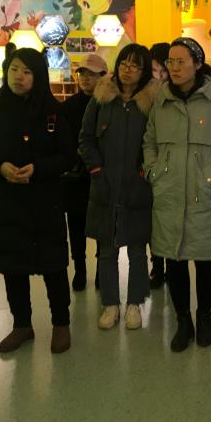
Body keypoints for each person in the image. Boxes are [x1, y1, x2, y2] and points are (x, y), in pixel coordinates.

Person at [0, 48, 76, 354]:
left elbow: (67, 156)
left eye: (27, 72)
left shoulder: (54, 113)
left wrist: (38, 168)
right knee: (12, 266)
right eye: (14, 69)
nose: (19, 77)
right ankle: (22, 325)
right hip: (6, 203)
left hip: (45, 202)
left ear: (38, 76)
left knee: (53, 265)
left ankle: (61, 323)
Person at [143, 37, 211, 352]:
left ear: (197, 64)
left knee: (204, 259)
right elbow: (149, 141)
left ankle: (204, 316)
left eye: (181, 61)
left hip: (203, 193)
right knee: (174, 260)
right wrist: (154, 171)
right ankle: (183, 319)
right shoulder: (161, 101)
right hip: (169, 191)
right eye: (170, 62)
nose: (174, 68)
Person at [79, 44, 160, 330]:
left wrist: (147, 171)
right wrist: (96, 170)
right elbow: (86, 138)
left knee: (137, 248)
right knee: (106, 248)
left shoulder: (152, 103)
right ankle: (110, 304)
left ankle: (135, 303)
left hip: (138, 185)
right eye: (124, 63)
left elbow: (159, 142)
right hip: (105, 183)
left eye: (135, 66)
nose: (128, 70)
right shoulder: (101, 98)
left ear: (144, 71)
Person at [59, 53, 108, 291]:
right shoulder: (68, 106)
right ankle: (79, 269)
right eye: (82, 74)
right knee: (76, 225)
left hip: (101, 175)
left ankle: (101, 270)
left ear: (103, 76)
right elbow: (64, 141)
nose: (85, 78)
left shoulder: (109, 105)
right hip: (75, 177)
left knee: (102, 225)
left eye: (92, 74)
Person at [147, 42, 171, 289]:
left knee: (169, 219)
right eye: (155, 70)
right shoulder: (145, 93)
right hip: (151, 163)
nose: (161, 76)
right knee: (152, 219)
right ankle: (157, 265)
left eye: (164, 70)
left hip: (173, 164)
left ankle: (171, 265)